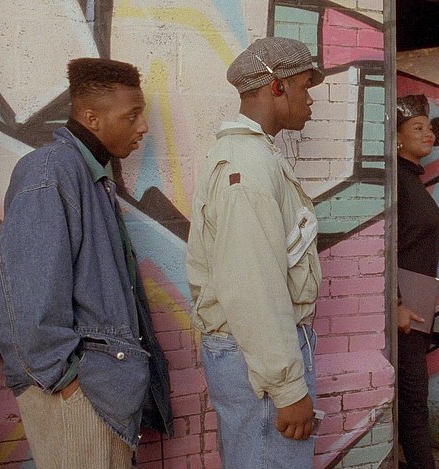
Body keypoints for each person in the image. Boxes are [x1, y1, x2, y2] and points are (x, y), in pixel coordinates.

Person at [0, 58, 173, 468]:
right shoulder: (50, 171)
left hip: (97, 391)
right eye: (132, 115)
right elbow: (25, 300)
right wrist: (67, 381)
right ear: (92, 118)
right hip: (73, 395)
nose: (143, 126)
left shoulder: (87, 174)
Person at [185, 37, 324, 468]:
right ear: (276, 86)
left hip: (256, 357)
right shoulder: (247, 166)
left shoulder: (254, 155)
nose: (310, 99)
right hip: (261, 363)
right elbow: (252, 288)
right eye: (304, 86)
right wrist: (288, 388)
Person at [396, 94, 439, 469]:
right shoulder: (396, 181)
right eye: (417, 127)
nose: (428, 133)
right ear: (397, 138)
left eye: (429, 127)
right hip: (406, 307)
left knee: (412, 398)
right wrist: (396, 303)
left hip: (418, 298)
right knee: (413, 399)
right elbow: (380, 247)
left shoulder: (411, 179)